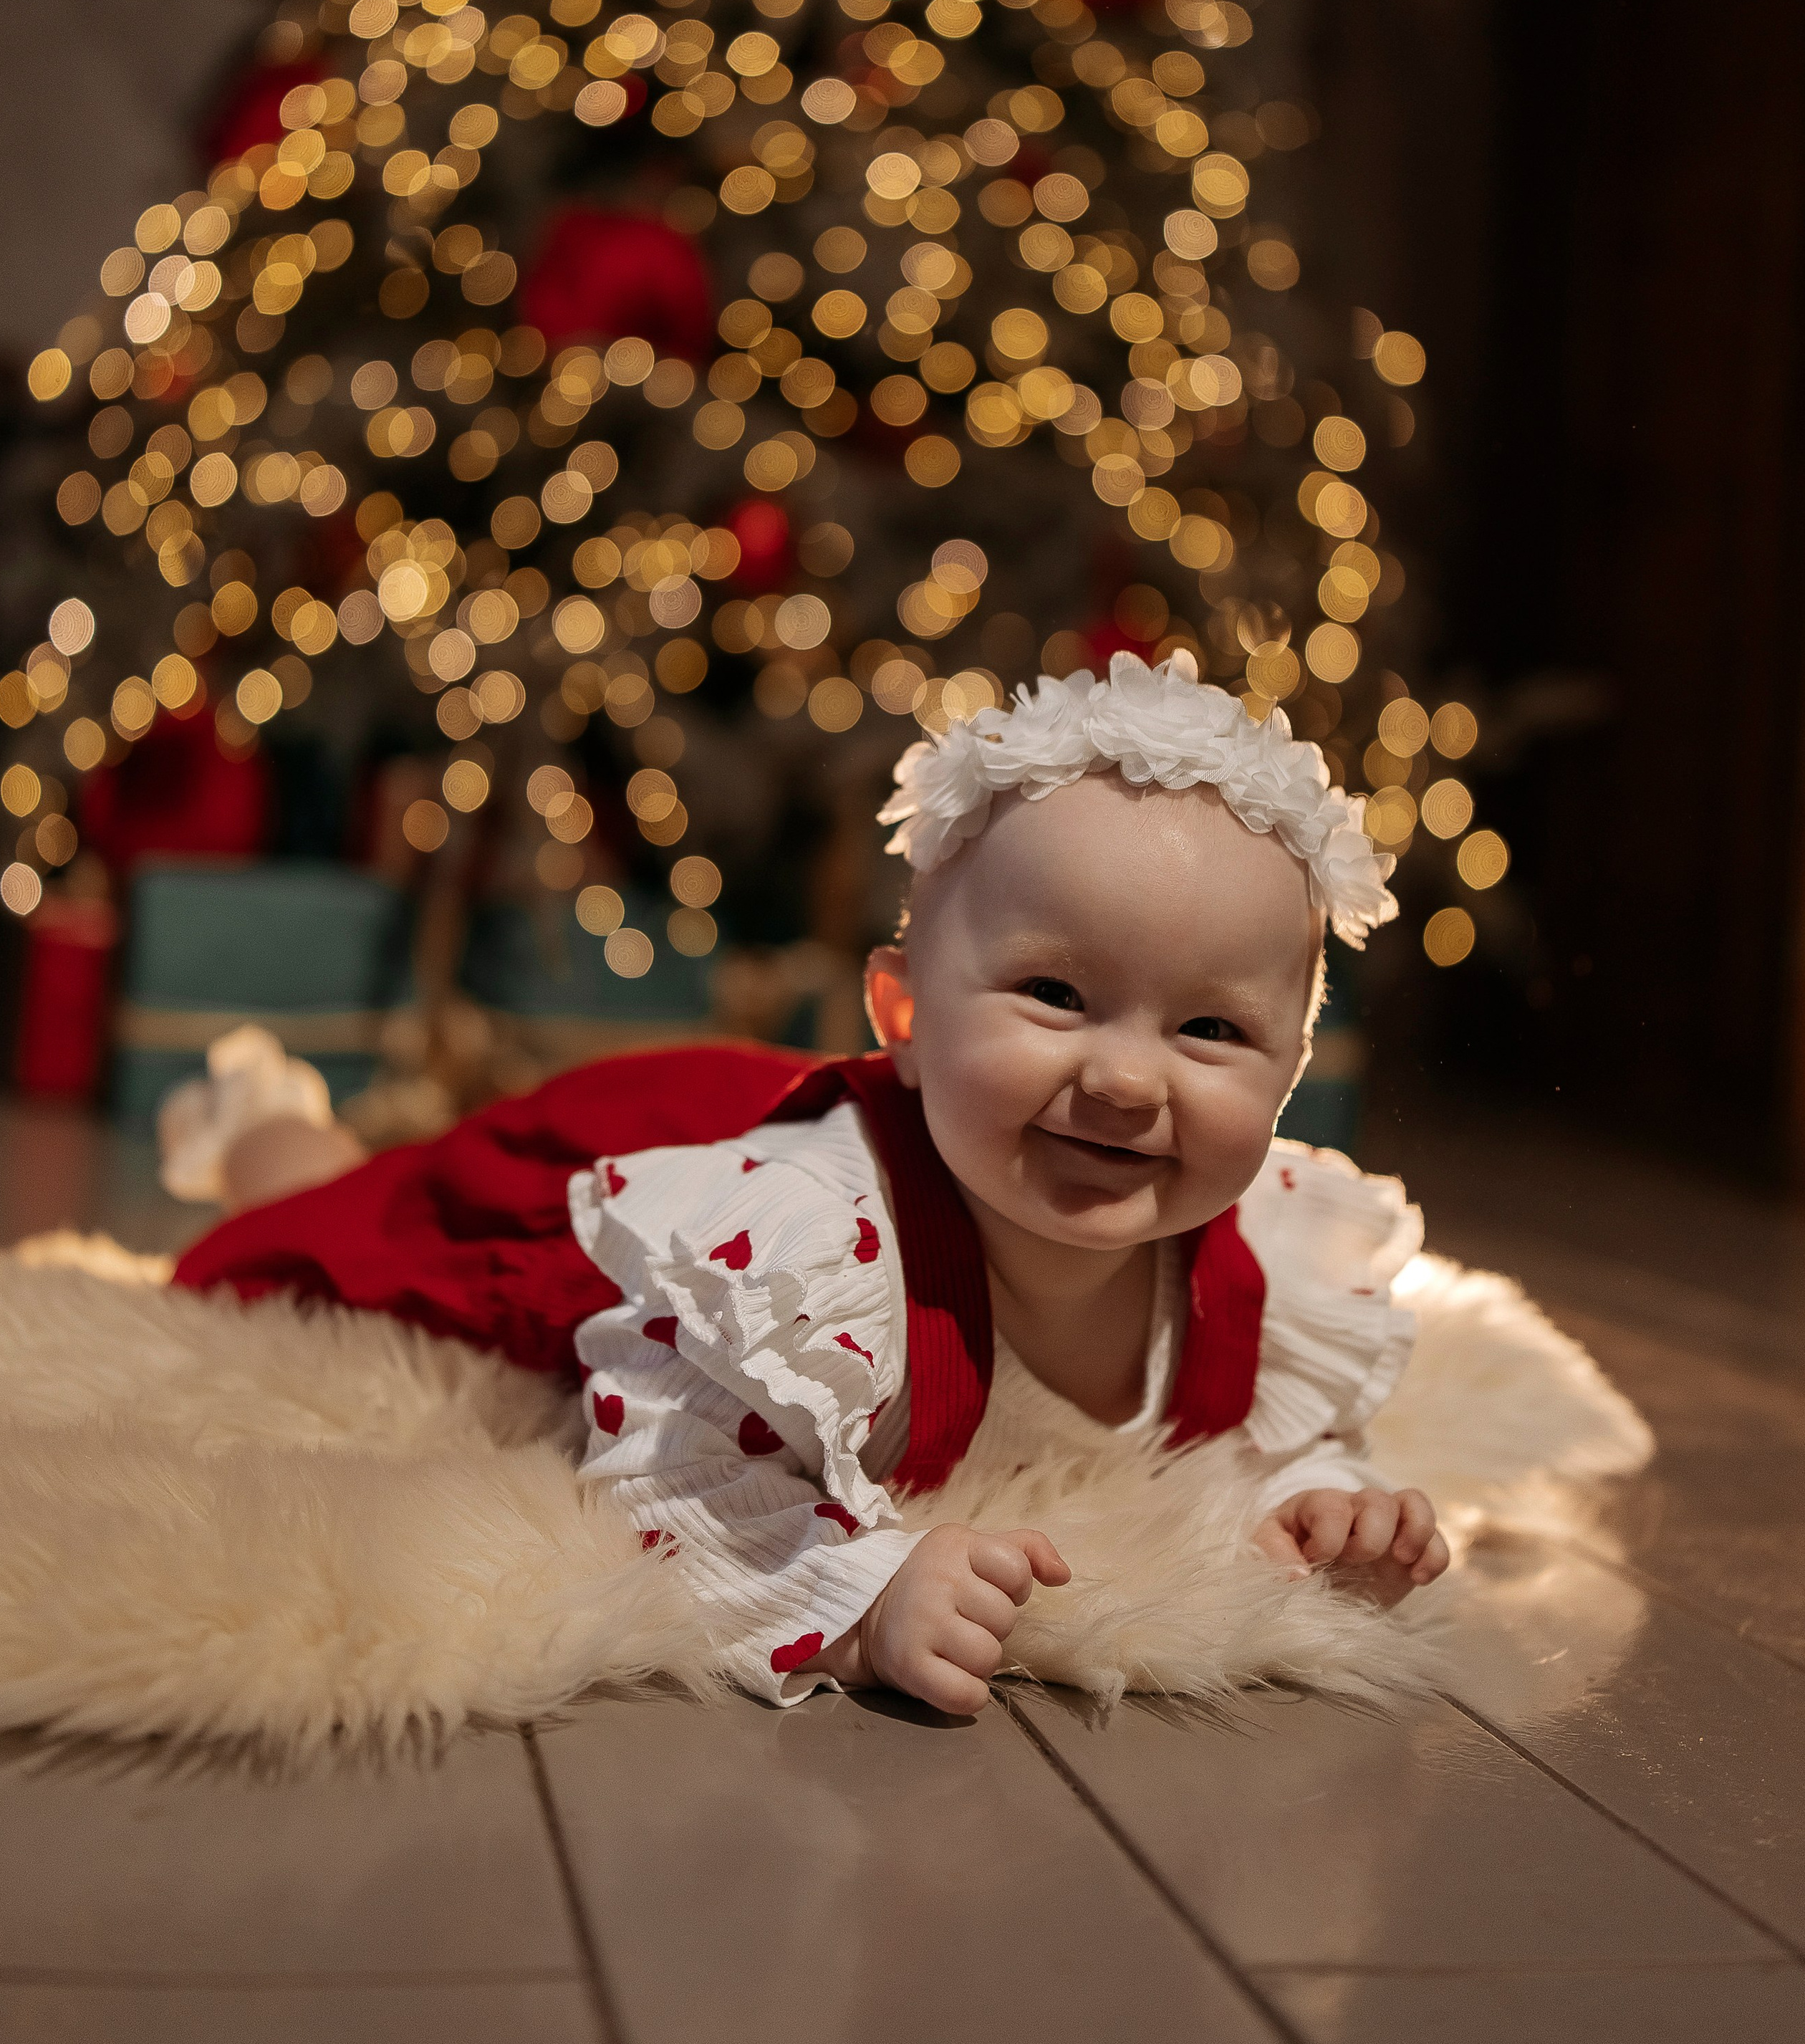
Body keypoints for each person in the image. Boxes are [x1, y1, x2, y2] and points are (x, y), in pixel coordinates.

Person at [172, 653, 1449, 1717]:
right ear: (901, 1009)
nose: (1124, 1081)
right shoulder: (807, 1250)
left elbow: (1274, 1433)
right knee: (361, 1221)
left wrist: (1319, 1507)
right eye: (1056, 996)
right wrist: (862, 1595)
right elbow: (667, 1479)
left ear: (1289, 1070)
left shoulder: (1255, 1253)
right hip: (654, 1153)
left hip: (831, 1120)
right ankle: (263, 1118)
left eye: (1211, 1033)